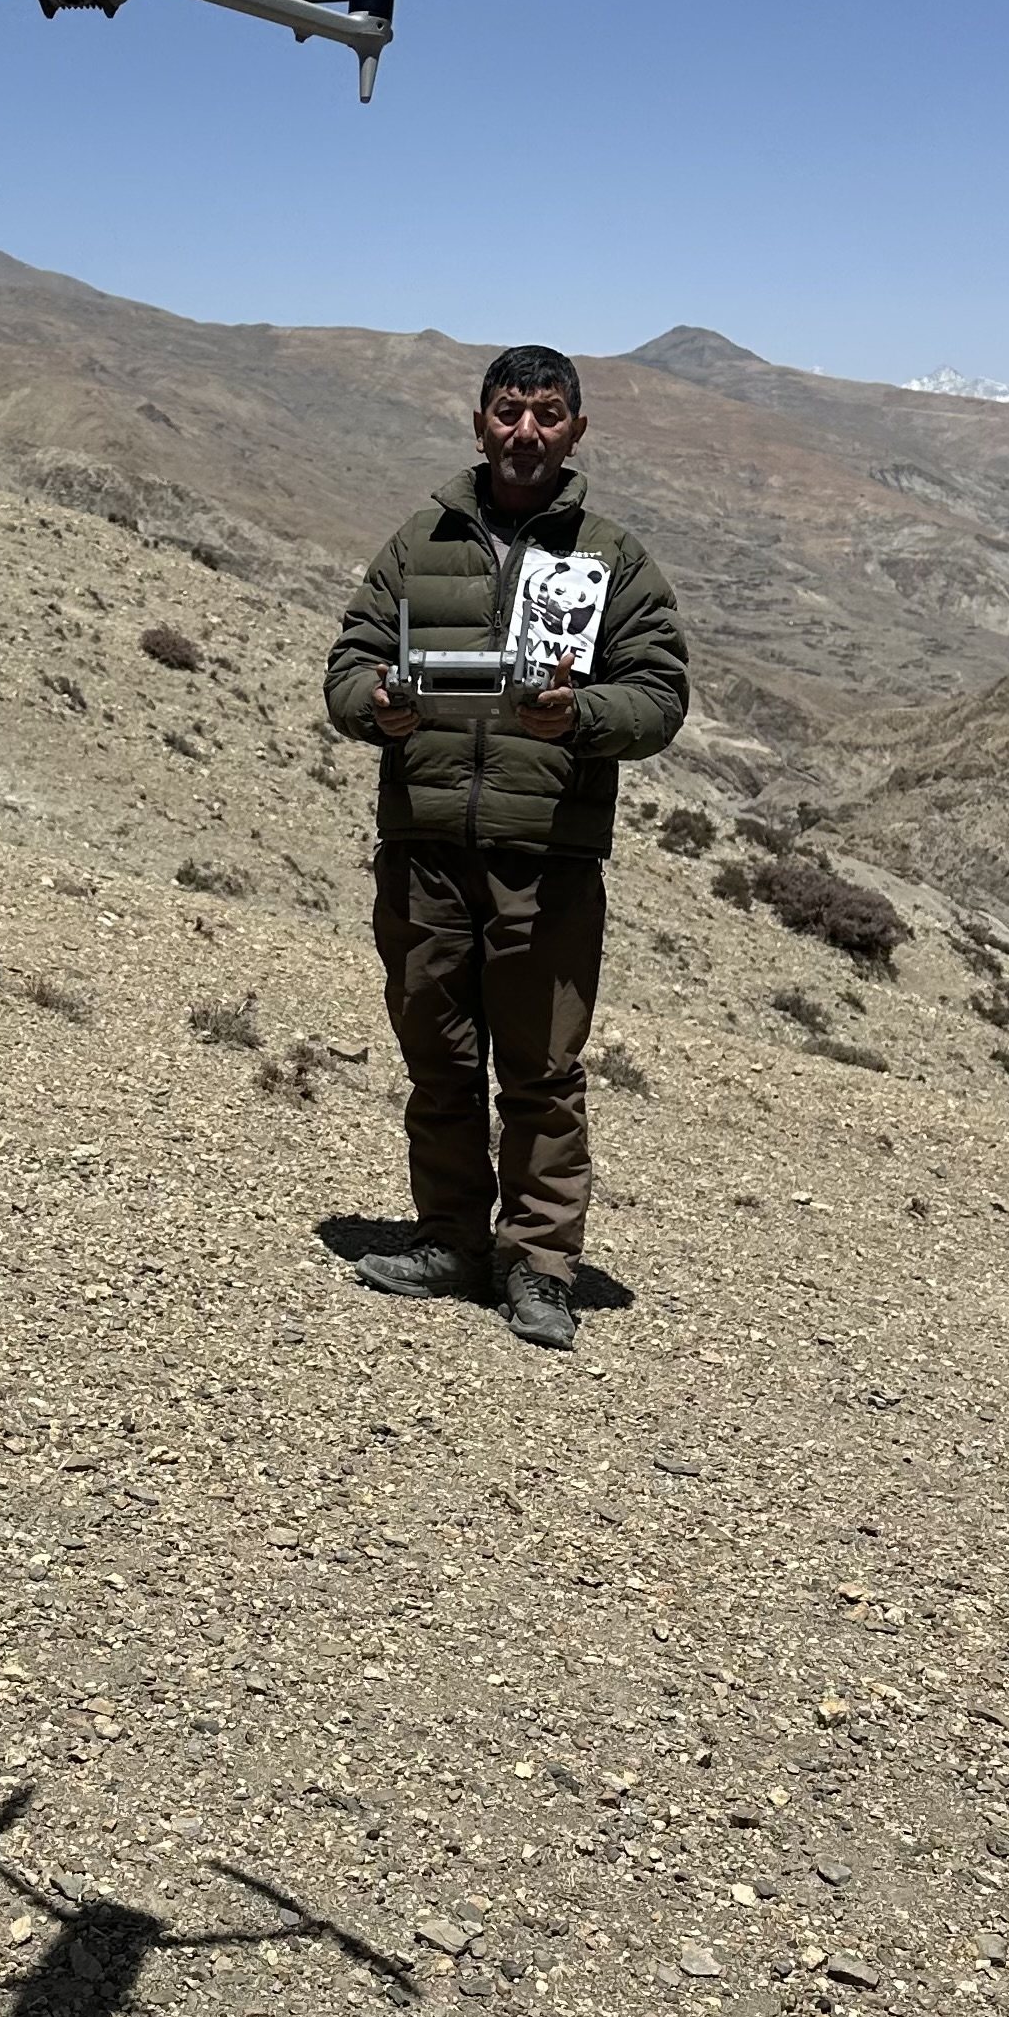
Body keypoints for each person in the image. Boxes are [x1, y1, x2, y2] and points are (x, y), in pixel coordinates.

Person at [322, 345, 688, 1349]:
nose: (526, 431)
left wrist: (582, 715)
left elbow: (659, 696)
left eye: (547, 413)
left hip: (547, 860)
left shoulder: (612, 558)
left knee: (541, 1072)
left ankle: (538, 1265)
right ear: (479, 421)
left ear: (576, 430)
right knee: (438, 1059)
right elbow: (350, 664)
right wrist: (375, 706)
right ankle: (449, 1241)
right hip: (426, 850)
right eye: (510, 411)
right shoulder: (420, 541)